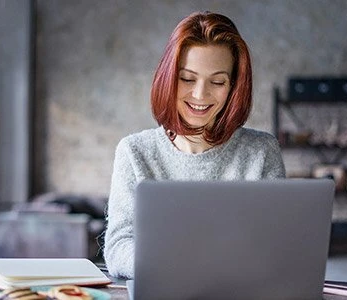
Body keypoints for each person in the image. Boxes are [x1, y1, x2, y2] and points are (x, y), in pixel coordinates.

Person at [103, 11, 286, 279]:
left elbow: (278, 247)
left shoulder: (261, 153)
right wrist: (169, 268)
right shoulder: (135, 152)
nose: (200, 94)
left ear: (234, 87)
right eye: (187, 78)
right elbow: (119, 245)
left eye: (217, 81)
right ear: (168, 77)